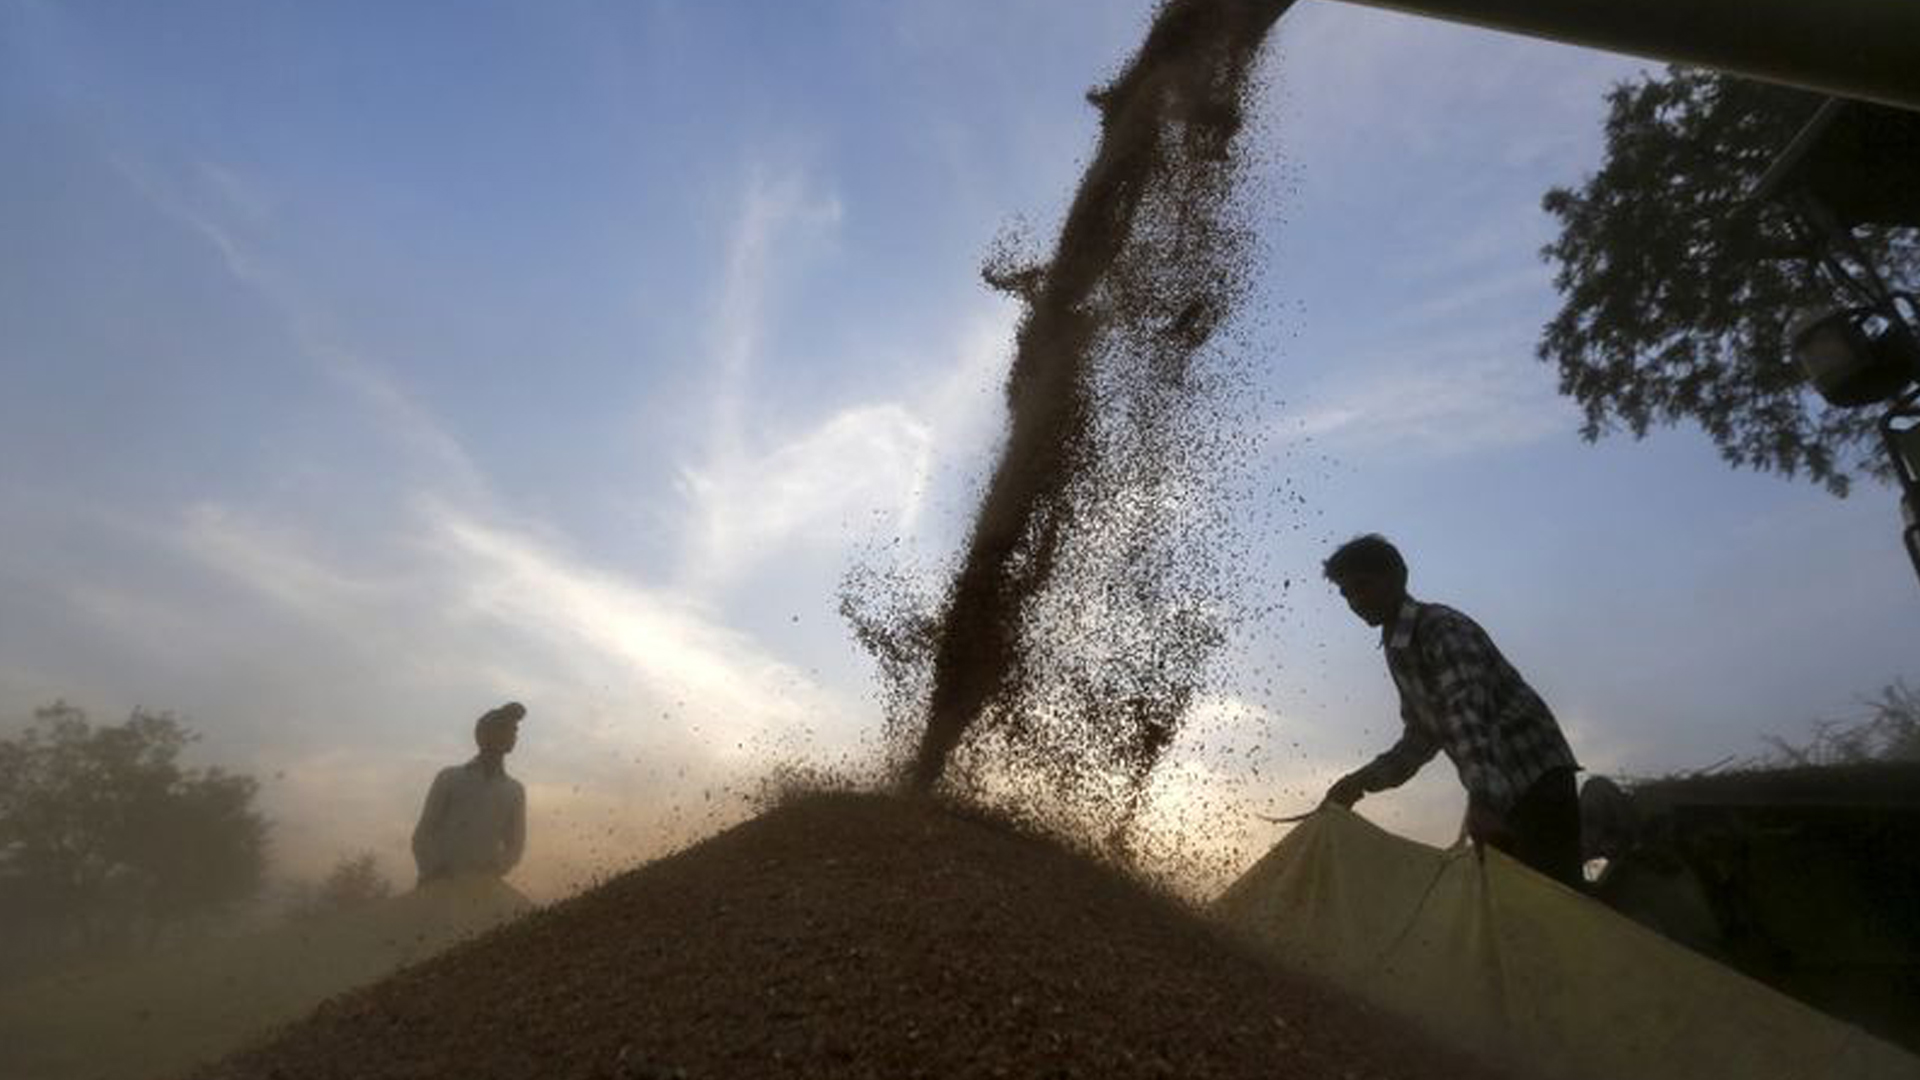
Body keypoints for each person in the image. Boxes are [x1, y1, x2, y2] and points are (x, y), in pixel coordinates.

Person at [1319, 535, 1583, 888]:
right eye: (1347, 594)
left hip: (1534, 778)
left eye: (1363, 586)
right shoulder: (1398, 649)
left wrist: (1484, 801)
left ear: (1398, 576)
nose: (1356, 601)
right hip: (1498, 788)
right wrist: (1361, 782)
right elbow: (1421, 736)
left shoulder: (1440, 627)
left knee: (1551, 904)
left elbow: (1466, 709)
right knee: (1516, 908)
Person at [411, 702, 528, 886]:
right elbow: (424, 833)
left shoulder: (514, 791)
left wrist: (496, 868)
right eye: (504, 728)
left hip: (484, 890)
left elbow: (515, 844)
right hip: (438, 885)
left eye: (514, 730)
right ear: (484, 735)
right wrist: (434, 870)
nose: (513, 734)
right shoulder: (449, 778)